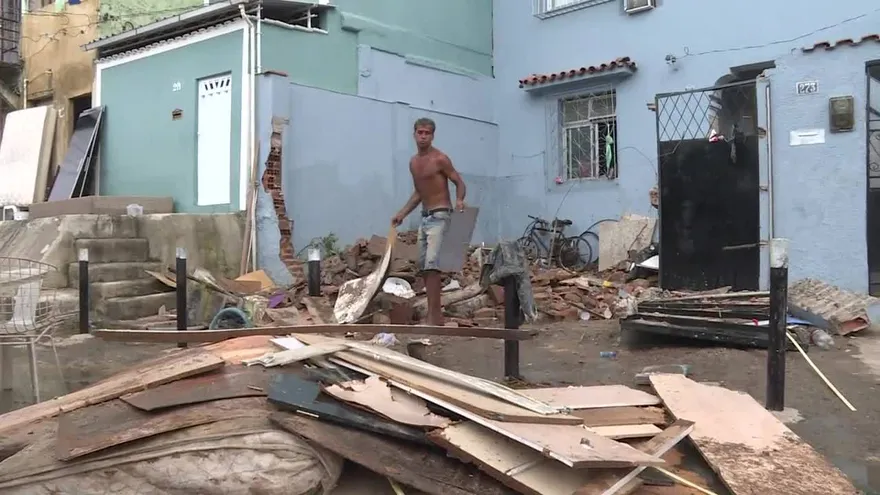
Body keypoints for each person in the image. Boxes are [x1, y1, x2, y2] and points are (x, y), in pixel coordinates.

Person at [391, 118, 467, 326]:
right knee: (424, 267)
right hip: (425, 218)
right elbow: (419, 192)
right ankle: (434, 315)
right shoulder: (414, 162)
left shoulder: (440, 159)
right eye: (420, 132)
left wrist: (459, 200)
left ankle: (435, 316)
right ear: (414, 134)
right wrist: (403, 213)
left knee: (433, 265)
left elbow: (458, 182)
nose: (423, 136)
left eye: (427, 133)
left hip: (441, 215)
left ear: (433, 136)